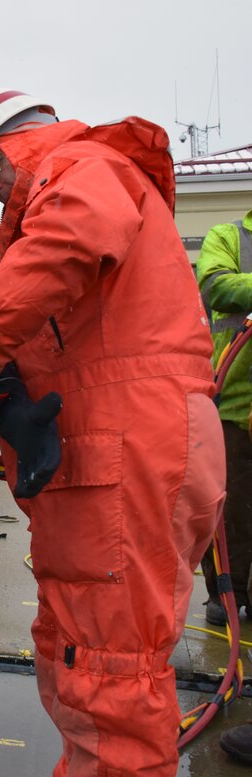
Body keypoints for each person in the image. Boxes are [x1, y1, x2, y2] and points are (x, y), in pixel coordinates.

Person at [0, 89, 224, 776]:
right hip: (119, 444)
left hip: (127, 444)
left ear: (10, 146)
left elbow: (69, 236)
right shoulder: (88, 172)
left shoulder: (79, 169)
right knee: (84, 650)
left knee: (111, 670)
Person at [196, 207, 252, 766]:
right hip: (233, 407)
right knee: (227, 517)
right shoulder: (229, 237)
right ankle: (225, 598)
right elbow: (216, 287)